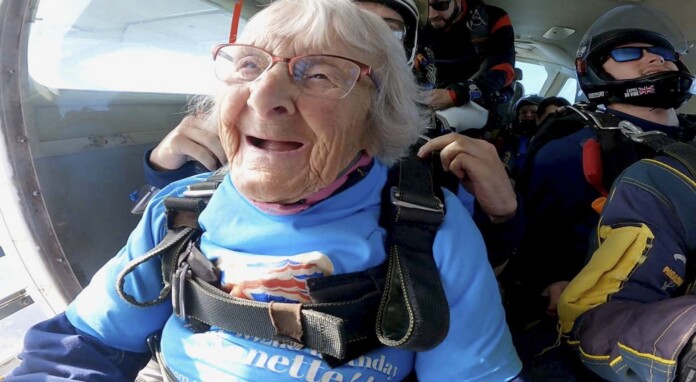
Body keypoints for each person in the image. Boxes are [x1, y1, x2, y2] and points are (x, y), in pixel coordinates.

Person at [4, 0, 523, 381]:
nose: (264, 95)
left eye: (319, 74)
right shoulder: (181, 207)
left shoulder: (431, 224)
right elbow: (77, 351)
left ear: (377, 116)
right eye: (250, 65)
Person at [141, 0, 522, 269]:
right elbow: (174, 232)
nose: (265, 101)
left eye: (386, 30)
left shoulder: (431, 163)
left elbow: (473, 269)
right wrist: (166, 169)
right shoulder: (249, 121)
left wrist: (502, 217)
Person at [499, 3, 696, 378]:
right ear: (594, 70)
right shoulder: (570, 149)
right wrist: (549, 282)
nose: (654, 58)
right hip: (632, 312)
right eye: (628, 52)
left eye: (662, 52)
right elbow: (535, 241)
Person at [421, 0, 516, 133]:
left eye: (440, 5)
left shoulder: (493, 18)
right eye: (425, 5)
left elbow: (504, 70)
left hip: (476, 95)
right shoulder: (419, 21)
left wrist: (455, 95)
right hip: (434, 93)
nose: (431, 14)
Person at [498, 95, 544, 181]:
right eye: (523, 112)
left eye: (534, 111)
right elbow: (507, 159)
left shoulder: (549, 140)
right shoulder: (514, 139)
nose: (528, 115)